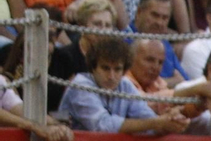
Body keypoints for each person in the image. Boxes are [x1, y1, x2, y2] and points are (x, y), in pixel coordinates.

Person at [61, 36, 190, 135]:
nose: (111, 76)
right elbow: (102, 126)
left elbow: (148, 120)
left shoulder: (125, 84)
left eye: (117, 69)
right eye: (105, 68)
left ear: (124, 71)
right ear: (93, 68)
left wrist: (170, 120)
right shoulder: (80, 84)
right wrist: (157, 122)